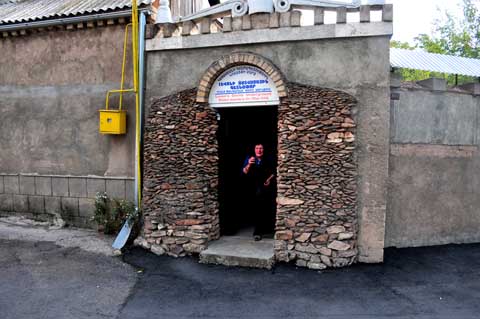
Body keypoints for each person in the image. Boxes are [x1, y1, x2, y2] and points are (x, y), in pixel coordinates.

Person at [242, 144, 275, 241]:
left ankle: (261, 231)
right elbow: (244, 171)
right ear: (254, 149)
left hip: (265, 186)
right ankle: (258, 231)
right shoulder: (250, 158)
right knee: (256, 209)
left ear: (263, 150)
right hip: (252, 187)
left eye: (261, 148)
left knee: (265, 208)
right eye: (257, 148)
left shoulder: (268, 158)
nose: (259, 150)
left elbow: (274, 171)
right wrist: (249, 164)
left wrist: (269, 179)